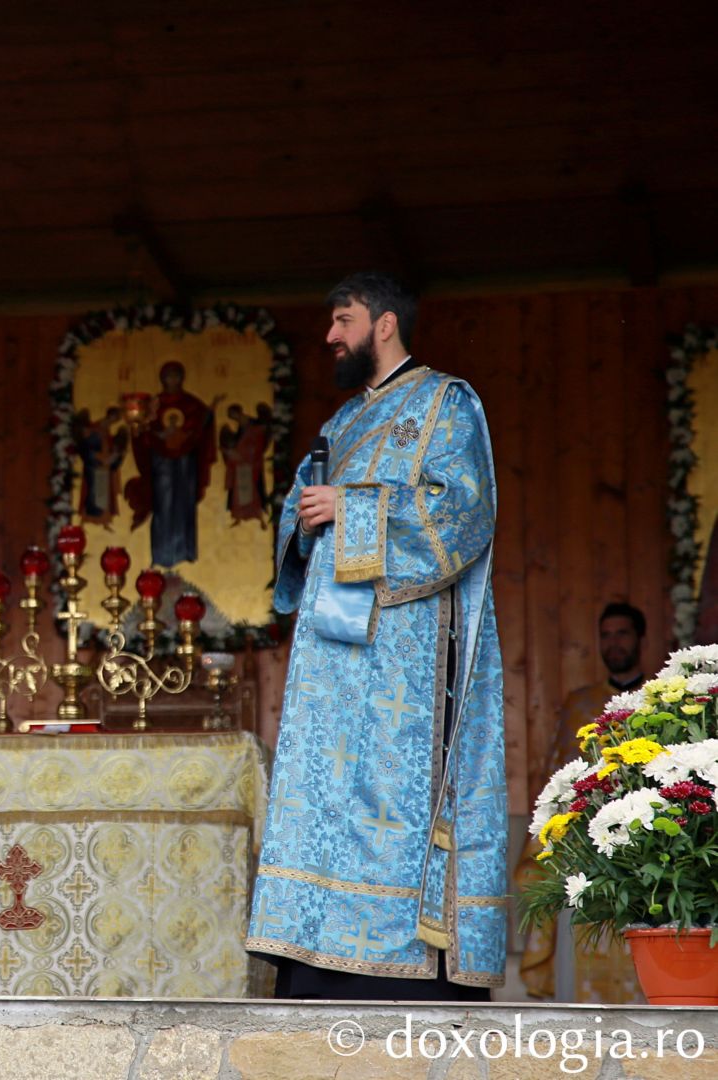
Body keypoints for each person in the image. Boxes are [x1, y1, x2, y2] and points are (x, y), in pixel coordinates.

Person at [245, 271, 506, 999]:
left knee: (392, 797)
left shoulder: (446, 403)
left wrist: (351, 508)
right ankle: (316, 953)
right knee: (326, 797)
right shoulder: (342, 422)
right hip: (333, 664)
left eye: (344, 320)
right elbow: (303, 518)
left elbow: (463, 516)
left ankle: (406, 965)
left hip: (405, 660)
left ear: (384, 324)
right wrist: (306, 518)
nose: (331, 335)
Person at [517, 602, 647, 1002]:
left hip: (644, 846)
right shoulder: (580, 705)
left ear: (640, 638)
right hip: (589, 853)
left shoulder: (656, 702)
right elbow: (558, 781)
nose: (614, 643)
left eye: (622, 633)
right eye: (606, 635)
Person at [128, 361, 217, 564]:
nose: (173, 380)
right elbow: (145, 432)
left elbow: (201, 425)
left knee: (185, 503)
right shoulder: (154, 404)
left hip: (186, 462)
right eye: (169, 376)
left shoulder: (191, 404)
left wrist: (206, 418)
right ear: (162, 379)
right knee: (163, 503)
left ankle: (185, 550)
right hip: (162, 463)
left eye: (176, 375)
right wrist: (145, 430)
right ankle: (162, 554)